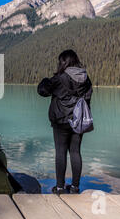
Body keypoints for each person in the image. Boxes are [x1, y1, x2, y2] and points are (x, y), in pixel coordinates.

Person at [38, 50, 93, 195]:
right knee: (75, 152)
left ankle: (60, 187)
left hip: (61, 121)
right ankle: (75, 187)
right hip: (79, 120)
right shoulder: (86, 79)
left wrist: (45, 80)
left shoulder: (60, 78)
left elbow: (42, 91)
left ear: (64, 62)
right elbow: (87, 98)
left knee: (60, 153)